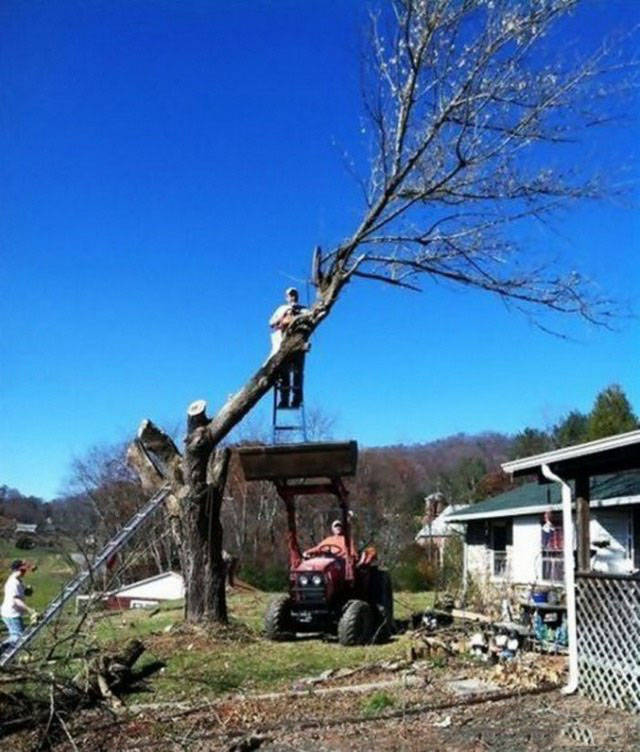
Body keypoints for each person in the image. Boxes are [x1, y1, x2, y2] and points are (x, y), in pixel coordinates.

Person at [269, 287, 309, 408]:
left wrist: (299, 315)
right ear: (286, 297)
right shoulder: (282, 308)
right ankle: (284, 399)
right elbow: (271, 323)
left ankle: (297, 399)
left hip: (299, 344)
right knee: (284, 372)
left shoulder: (304, 310)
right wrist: (283, 317)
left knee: (298, 373)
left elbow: (311, 320)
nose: (293, 297)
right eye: (290, 295)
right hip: (284, 344)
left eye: (294, 295)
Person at [1, 560, 36, 650]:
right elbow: (16, 600)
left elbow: (23, 592)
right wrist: (30, 610)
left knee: (17, 635)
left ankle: (4, 650)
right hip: (11, 613)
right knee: (17, 637)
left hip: (11, 612)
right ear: (19, 570)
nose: (25, 572)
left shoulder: (18, 580)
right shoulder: (14, 583)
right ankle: (2, 649)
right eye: (23, 570)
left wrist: (27, 591)